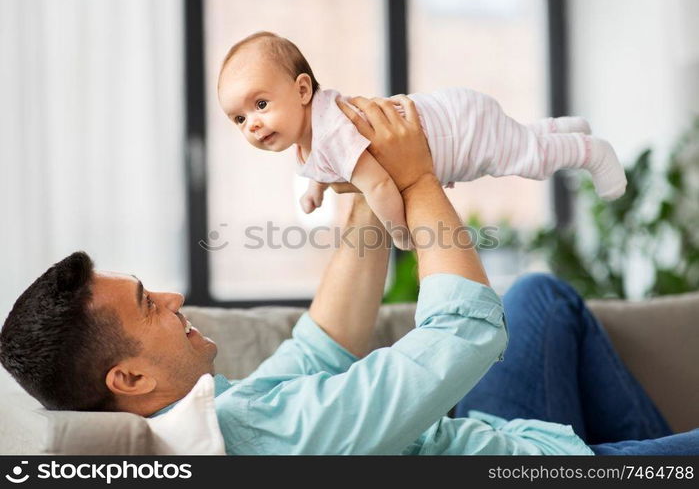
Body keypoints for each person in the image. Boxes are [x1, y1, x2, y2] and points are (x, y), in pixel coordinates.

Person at [1, 96, 695, 455]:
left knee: (541, 298)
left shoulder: (219, 419)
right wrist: (419, 174)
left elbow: (320, 346)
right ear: (127, 380)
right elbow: (464, 333)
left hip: (506, 440)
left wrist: (368, 182)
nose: (175, 297)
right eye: (149, 304)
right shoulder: (270, 441)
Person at [216, 31, 627, 250]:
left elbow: (376, 184)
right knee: (518, 142)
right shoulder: (311, 135)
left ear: (302, 90)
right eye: (239, 118)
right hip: (450, 118)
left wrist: (399, 232)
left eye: (262, 103)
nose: (252, 123)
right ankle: (562, 128)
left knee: (528, 159)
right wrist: (315, 190)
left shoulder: (332, 131)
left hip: (455, 132)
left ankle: (591, 152)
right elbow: (326, 165)